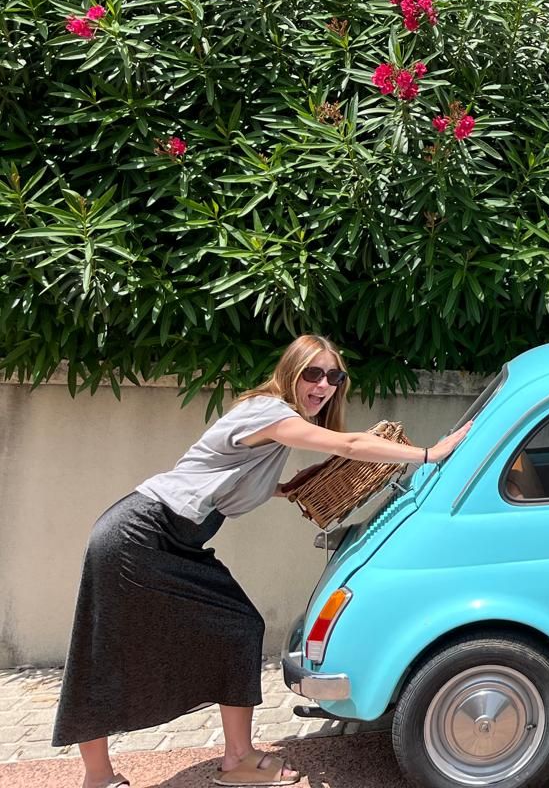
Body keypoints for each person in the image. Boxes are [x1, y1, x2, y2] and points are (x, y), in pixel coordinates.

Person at [52, 334, 471, 788]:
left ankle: (236, 759)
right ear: (291, 372)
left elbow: (217, 473)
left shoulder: (274, 426)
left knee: (231, 628)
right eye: (314, 373)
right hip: (141, 535)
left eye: (334, 376)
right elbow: (349, 444)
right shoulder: (272, 412)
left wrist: (284, 489)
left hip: (166, 538)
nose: (324, 385)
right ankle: (106, 775)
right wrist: (431, 454)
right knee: (109, 647)